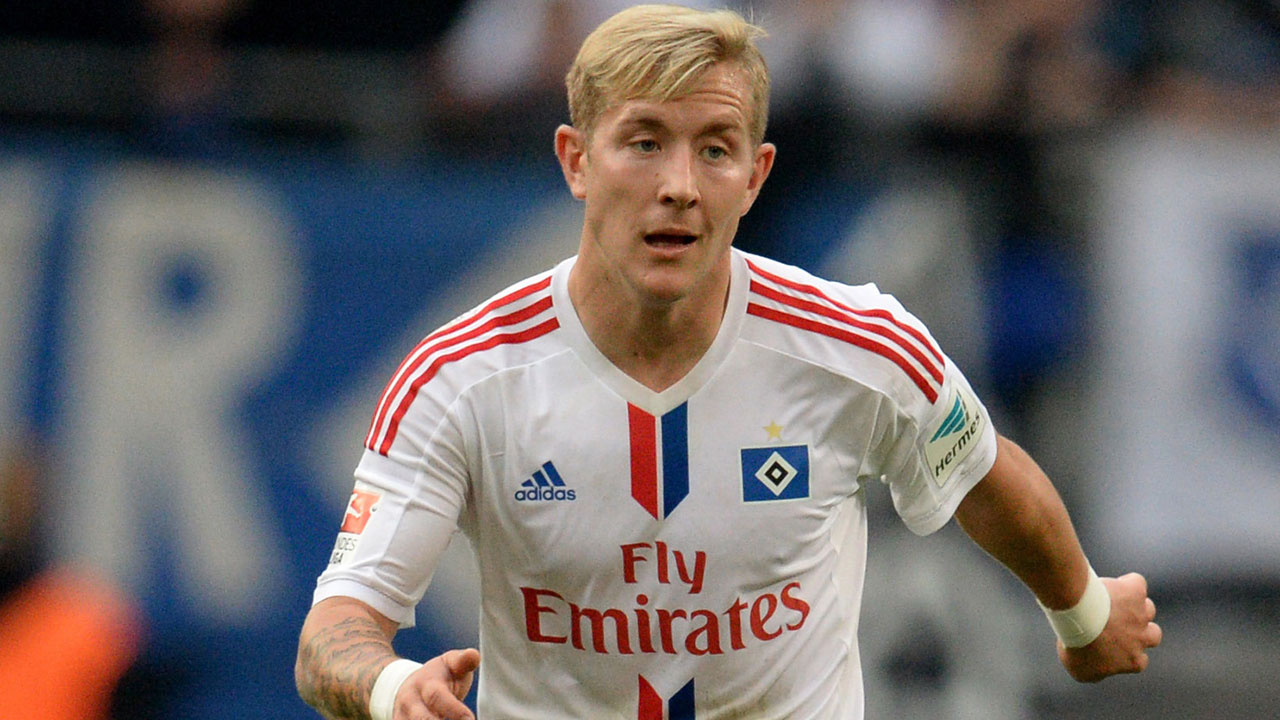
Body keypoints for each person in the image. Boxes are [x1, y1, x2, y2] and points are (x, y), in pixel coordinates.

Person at [295, 5, 1162, 719]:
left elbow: (985, 477)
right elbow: (336, 628)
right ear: (576, 161)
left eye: (714, 148)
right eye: (644, 143)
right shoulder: (459, 379)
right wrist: (390, 687)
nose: (679, 184)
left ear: (754, 176)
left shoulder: (861, 346)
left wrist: (1085, 612)